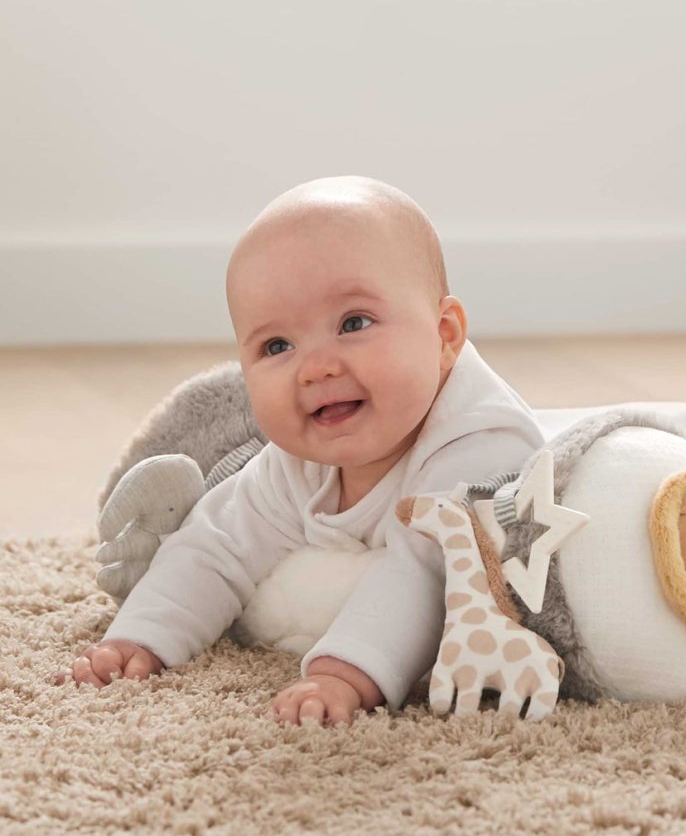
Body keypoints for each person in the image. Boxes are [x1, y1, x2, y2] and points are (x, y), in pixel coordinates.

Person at [56, 175, 546, 728]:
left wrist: (342, 674)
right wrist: (138, 637)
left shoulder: (480, 445)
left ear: (444, 334)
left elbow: (429, 571)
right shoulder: (300, 457)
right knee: (215, 506)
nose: (316, 367)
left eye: (353, 323)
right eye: (277, 346)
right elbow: (215, 546)